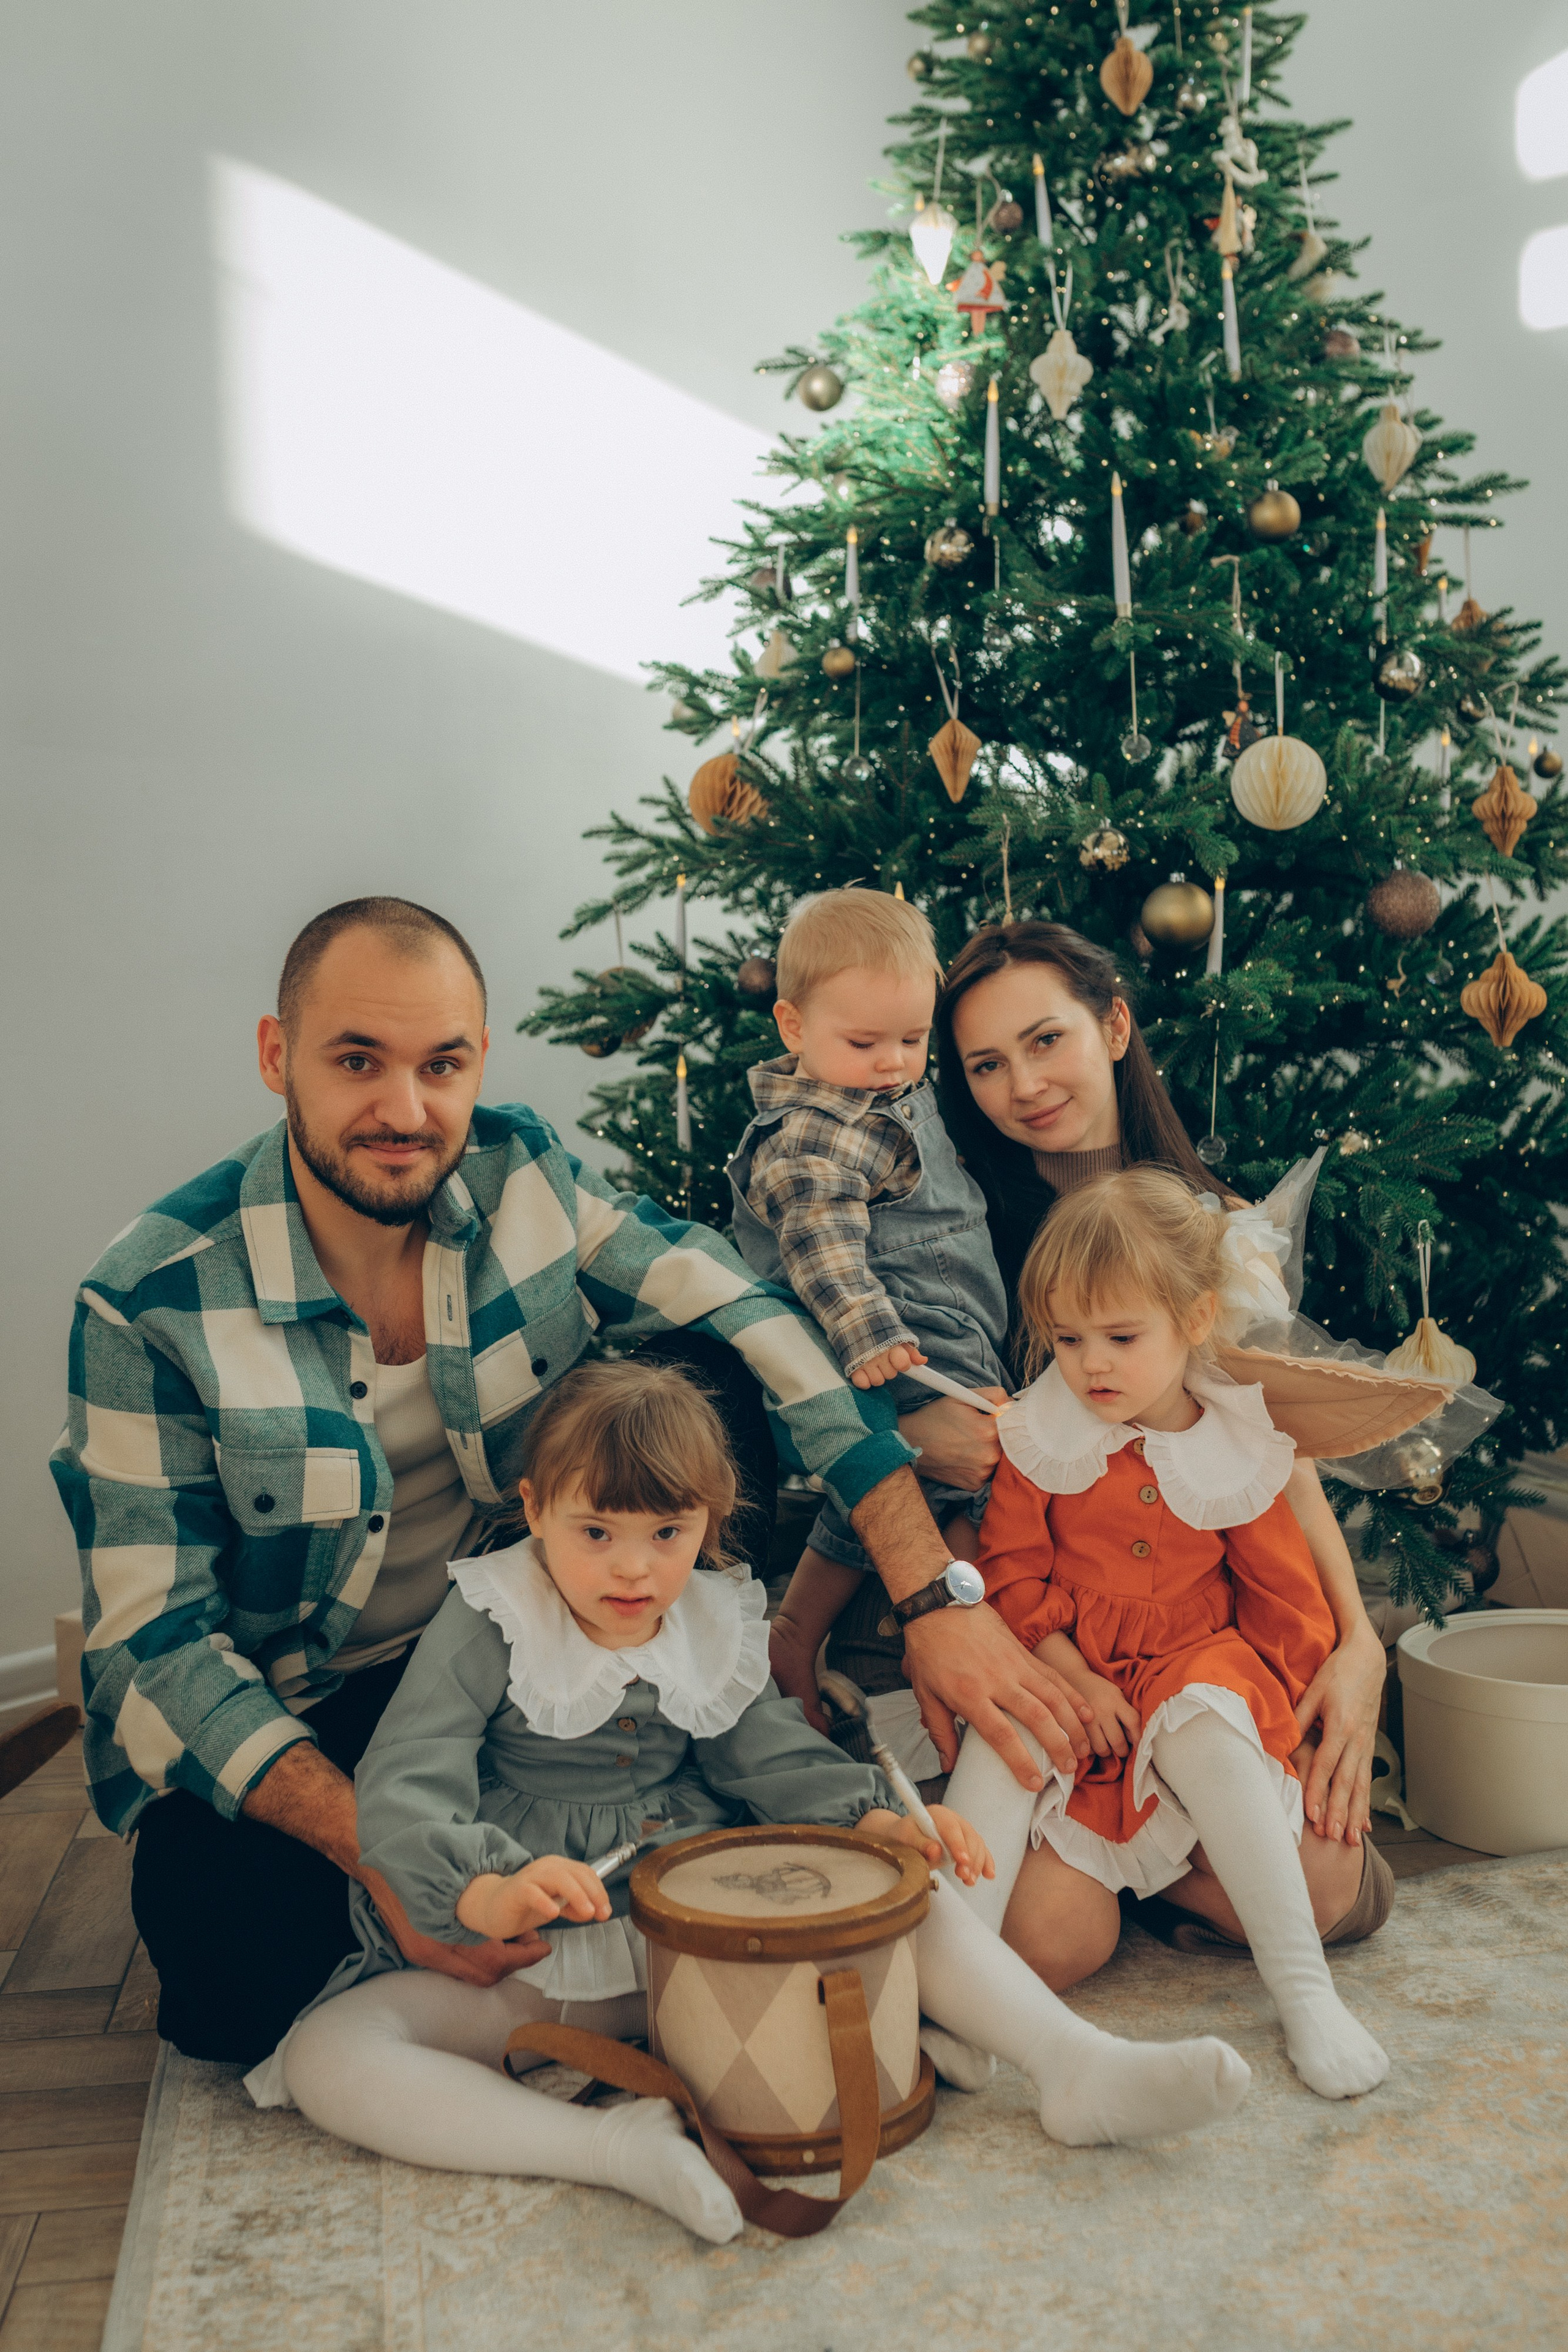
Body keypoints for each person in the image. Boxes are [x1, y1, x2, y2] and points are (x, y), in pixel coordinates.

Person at [52, 895, 1090, 2065]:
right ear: (276, 1055)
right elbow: (160, 1640)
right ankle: (589, 1903)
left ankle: (707, 1762)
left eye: (441, 1064)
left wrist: (927, 1595)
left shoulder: (522, 1177)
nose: (405, 1110)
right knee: (227, 1986)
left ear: (478, 1060)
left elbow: (755, 1315)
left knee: (707, 1362)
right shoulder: (148, 1299)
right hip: (317, 1705)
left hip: (562, 1626)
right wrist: (391, 1854)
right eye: (357, 1062)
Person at [248, 1357, 1251, 2243]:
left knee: (913, 1900)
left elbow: (766, 1752)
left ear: (709, 1523)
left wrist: (878, 1819)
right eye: (595, 1531)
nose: (633, 1568)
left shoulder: (706, 1614)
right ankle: (610, 2148)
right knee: (328, 2053)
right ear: (535, 1507)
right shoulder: (491, 1611)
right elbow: (405, 1777)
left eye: (667, 1533)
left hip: (705, 1937)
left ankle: (1075, 2063)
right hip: (534, 1956)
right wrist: (484, 1892)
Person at [824, 920, 1390, 1974]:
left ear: (1115, 1024)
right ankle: (1124, 1862)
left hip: (1195, 1634)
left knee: (1325, 1883)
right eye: (986, 1065)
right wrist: (1016, 1641)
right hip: (1033, 1605)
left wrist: (1358, 1645)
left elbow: (1278, 1462)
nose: (1022, 1086)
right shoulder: (961, 1232)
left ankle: (1162, 1854)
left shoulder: (1209, 1236)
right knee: (1042, 1935)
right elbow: (965, 1490)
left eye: (1047, 1041)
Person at [944, 1169, 1390, 2100]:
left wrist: (1293, 1712)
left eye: (1120, 1338)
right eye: (1067, 1340)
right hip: (1073, 1671)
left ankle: (1304, 1994)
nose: (1091, 1365)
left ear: (1192, 1321)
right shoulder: (1040, 1434)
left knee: (1203, 1719)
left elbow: (1279, 1591)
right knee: (1011, 1733)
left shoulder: (1234, 1440)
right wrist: (1069, 1672)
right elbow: (1014, 1574)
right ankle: (956, 1994)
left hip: (1197, 1666)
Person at [725, 890, 1014, 1733]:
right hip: (906, 1337)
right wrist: (872, 1335)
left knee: (935, 1483)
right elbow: (820, 1241)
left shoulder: (876, 1100)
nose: (893, 1063)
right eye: (865, 1043)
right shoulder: (816, 1129)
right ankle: (943, 1628)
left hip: (947, 1327)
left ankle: (814, 1629)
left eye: (913, 1040)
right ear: (792, 1025)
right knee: (969, 1485)